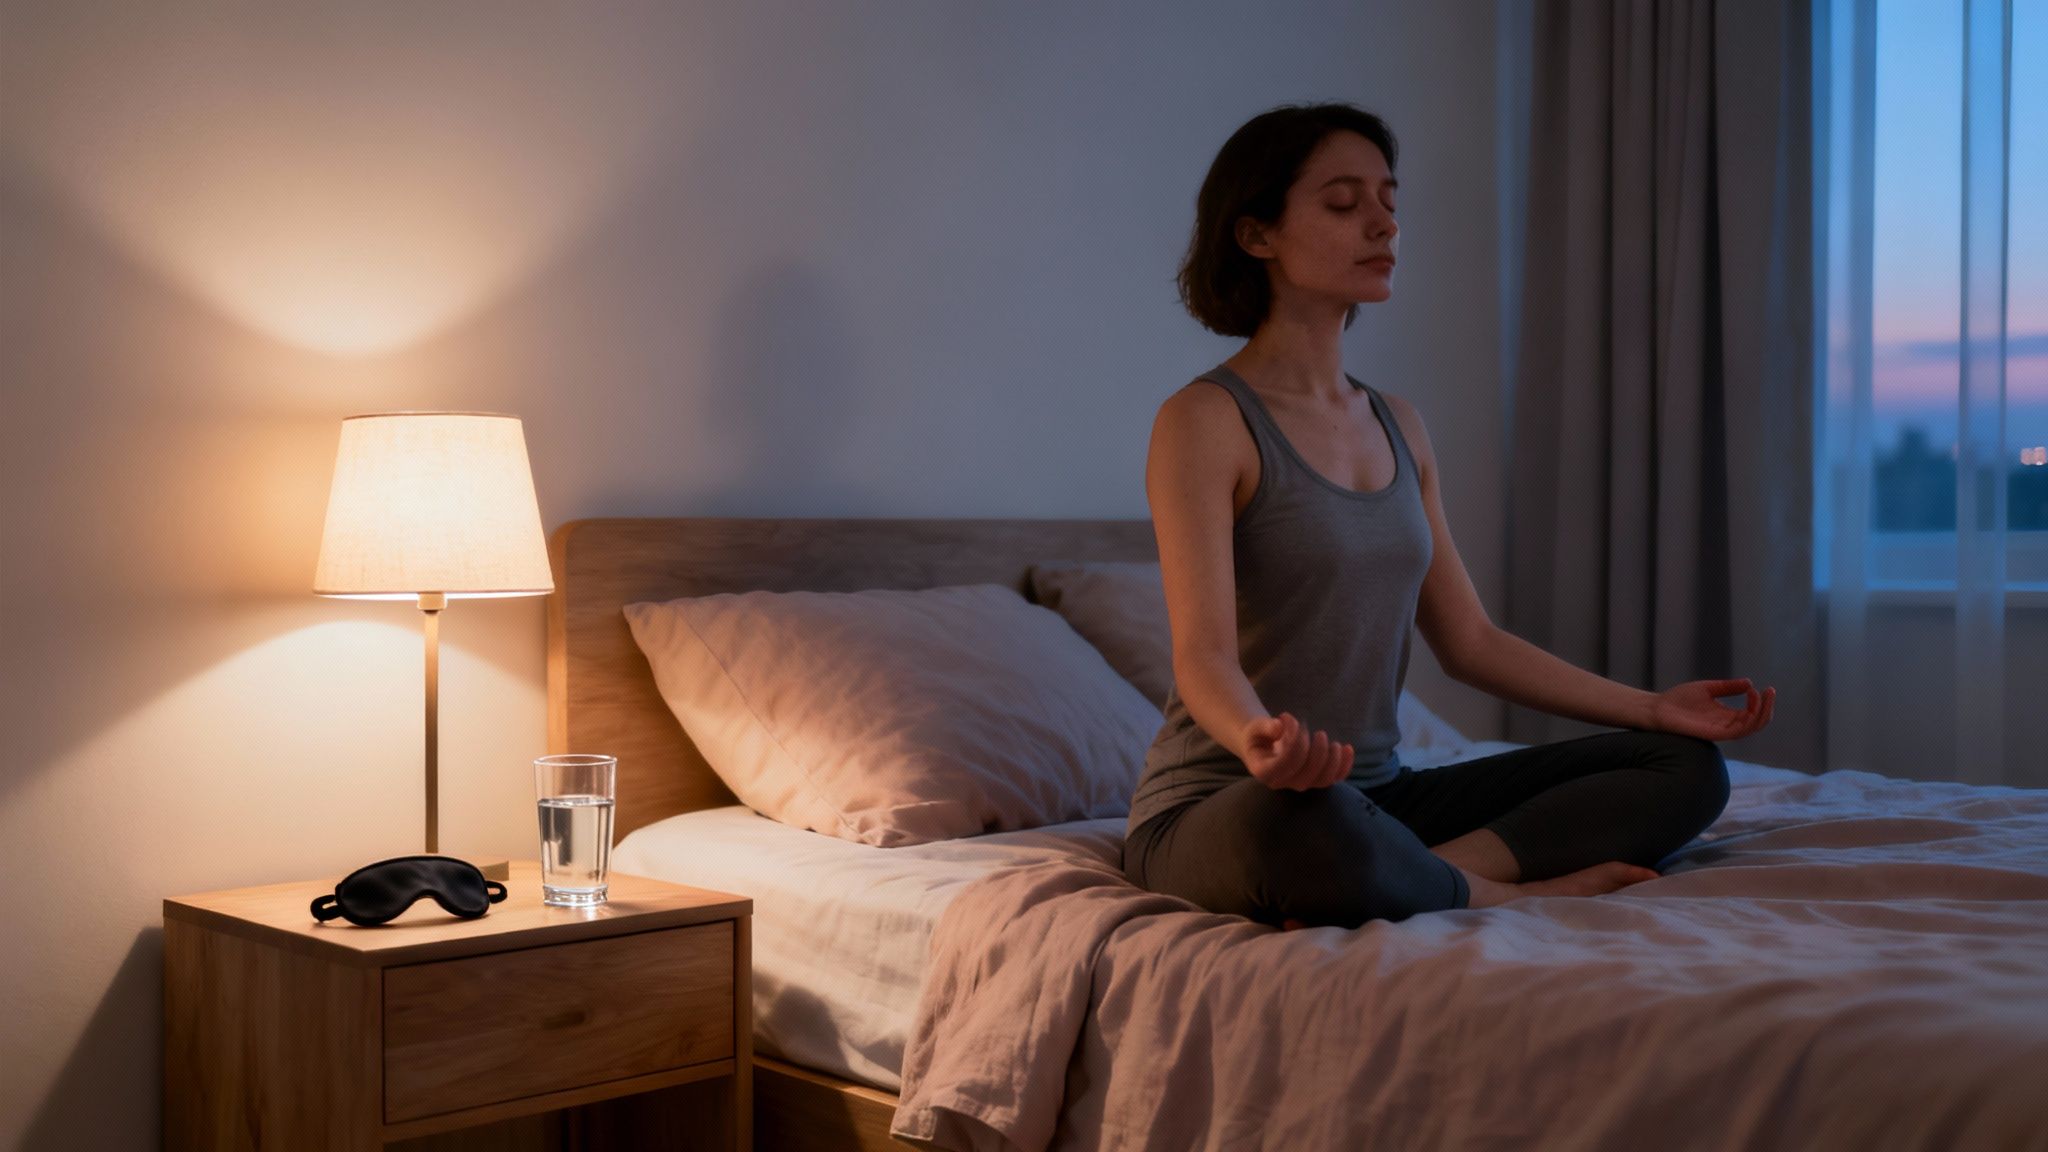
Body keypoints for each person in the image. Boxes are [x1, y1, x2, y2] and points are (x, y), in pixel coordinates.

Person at [1122, 102, 1775, 930]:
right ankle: (1499, 892)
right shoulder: (1206, 421)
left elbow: (1471, 643)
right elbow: (1203, 655)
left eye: (1389, 200)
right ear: (1257, 236)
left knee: (1685, 769)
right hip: (1233, 804)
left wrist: (1655, 707)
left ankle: (1418, 874)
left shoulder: (1399, 423)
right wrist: (1257, 739)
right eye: (1343, 202)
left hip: (1376, 800)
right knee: (1299, 823)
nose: (1383, 222)